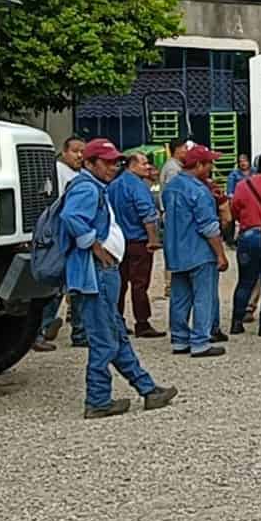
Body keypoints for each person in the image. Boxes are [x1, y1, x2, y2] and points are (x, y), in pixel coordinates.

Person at [61, 138, 176, 418]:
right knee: (104, 338)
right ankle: (98, 400)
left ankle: (148, 389)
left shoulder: (95, 186)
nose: (113, 167)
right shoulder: (88, 188)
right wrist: (96, 246)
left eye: (116, 161)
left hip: (100, 272)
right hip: (96, 273)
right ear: (90, 163)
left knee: (114, 334)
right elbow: (71, 217)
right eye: (107, 162)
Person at [163, 144, 229, 357]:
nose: (211, 168)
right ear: (199, 165)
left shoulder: (171, 186)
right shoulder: (199, 190)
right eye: (209, 163)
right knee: (204, 296)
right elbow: (209, 227)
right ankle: (201, 341)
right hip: (199, 252)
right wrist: (220, 254)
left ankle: (180, 339)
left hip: (175, 251)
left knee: (179, 296)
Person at [36, 135, 89, 352]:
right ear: (64, 152)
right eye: (75, 151)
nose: (79, 155)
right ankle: (40, 330)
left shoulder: (78, 175)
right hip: (60, 237)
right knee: (55, 287)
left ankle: (80, 331)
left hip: (74, 238)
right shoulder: (56, 172)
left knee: (77, 286)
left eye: (82, 152)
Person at [107, 152, 165, 338]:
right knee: (139, 284)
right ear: (132, 165)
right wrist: (153, 239)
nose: (148, 167)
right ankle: (142, 322)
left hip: (118, 242)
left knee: (120, 284)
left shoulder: (113, 185)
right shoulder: (138, 186)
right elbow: (147, 215)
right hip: (138, 241)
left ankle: (117, 321)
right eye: (144, 163)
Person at [228, 150, 261, 337]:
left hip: (248, 234)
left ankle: (236, 321)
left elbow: (234, 209)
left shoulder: (243, 185)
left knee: (245, 281)